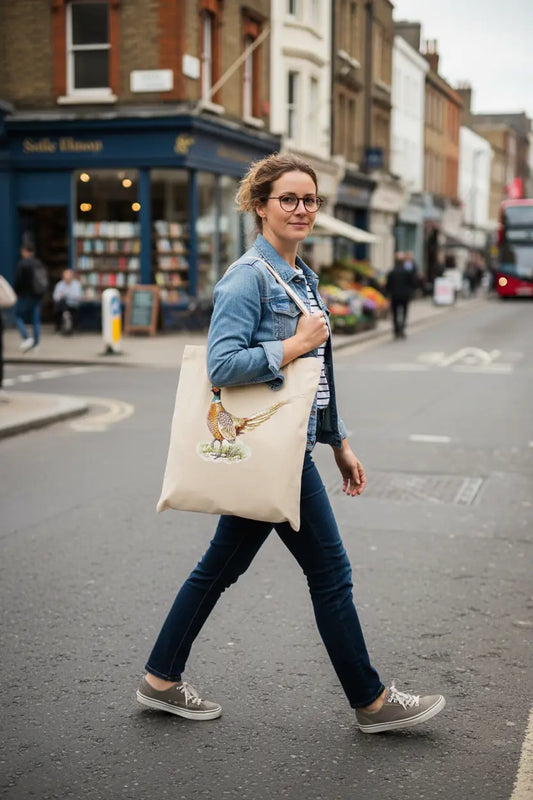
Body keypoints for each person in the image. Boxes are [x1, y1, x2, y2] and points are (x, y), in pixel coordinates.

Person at [136, 153, 445, 733]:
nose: (302, 209)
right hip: (273, 454)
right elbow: (222, 365)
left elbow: (316, 379)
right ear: (260, 206)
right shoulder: (246, 278)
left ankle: (160, 678)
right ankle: (371, 702)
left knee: (219, 569)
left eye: (310, 200)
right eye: (289, 199)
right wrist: (295, 344)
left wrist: (338, 441)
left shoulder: (301, 277)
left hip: (283, 448)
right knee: (330, 574)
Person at [13, 244, 48, 352]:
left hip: (25, 295)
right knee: (35, 319)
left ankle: (26, 338)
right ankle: (36, 345)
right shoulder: (38, 263)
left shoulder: (23, 264)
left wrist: (17, 292)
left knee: (17, 315)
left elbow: (18, 281)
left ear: (25, 252)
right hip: (37, 295)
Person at [385, 252, 418, 339]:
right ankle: (402, 329)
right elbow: (413, 283)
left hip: (394, 296)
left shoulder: (391, 272)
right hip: (405, 295)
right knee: (404, 312)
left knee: (395, 313)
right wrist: (411, 292)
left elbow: (388, 285)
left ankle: (396, 330)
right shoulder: (407, 272)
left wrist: (388, 295)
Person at [52, 269, 82, 333]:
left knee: (64, 301)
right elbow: (55, 297)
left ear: (72, 277)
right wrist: (61, 296)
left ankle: (65, 315)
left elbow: (78, 296)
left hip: (72, 305)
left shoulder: (76, 284)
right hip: (61, 305)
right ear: (63, 277)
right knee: (61, 302)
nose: (67, 278)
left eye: (69, 277)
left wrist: (66, 295)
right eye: (66, 277)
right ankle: (66, 315)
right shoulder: (59, 284)